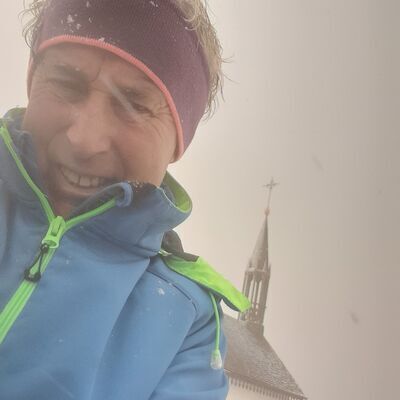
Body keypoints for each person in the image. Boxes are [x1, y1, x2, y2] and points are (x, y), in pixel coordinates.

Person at [0, 1, 250, 399]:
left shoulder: (188, 326)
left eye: (133, 104)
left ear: (178, 142)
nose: (84, 140)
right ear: (32, 80)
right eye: (66, 83)